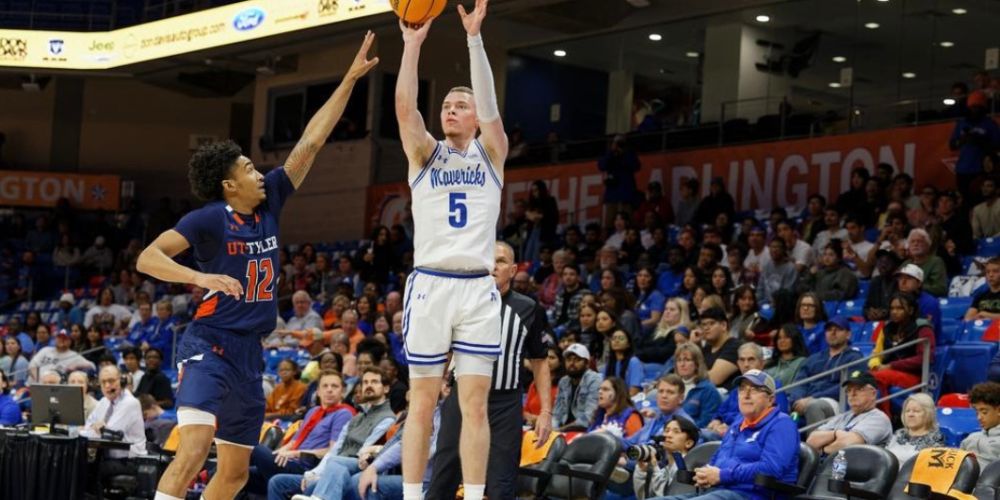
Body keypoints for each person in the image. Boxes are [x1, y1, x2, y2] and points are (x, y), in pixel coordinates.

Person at [137, 33, 378, 500]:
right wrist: (199, 276)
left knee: (235, 473)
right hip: (209, 344)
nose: (258, 172)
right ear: (230, 184)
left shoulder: (270, 203)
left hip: (250, 355)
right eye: (249, 168)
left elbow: (311, 140)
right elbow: (148, 258)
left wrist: (348, 79)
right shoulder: (208, 218)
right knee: (193, 450)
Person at [395, 3, 510, 497]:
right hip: (432, 284)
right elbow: (405, 108)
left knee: (476, 403)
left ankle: (477, 494)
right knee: (422, 400)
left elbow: (489, 110)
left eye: (458, 106)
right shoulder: (424, 153)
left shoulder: (492, 152)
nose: (450, 110)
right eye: (445, 105)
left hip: (477, 288)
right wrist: (412, 45)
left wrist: (474, 40)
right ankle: (412, 495)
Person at [426, 241, 552, 500]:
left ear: (514, 270)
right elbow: (443, 349)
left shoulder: (529, 309)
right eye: (487, 260)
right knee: (443, 477)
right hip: (462, 399)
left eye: (501, 261)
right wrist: (438, 383)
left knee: (501, 484)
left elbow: (540, 362)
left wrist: (546, 412)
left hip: (505, 406)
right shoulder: (460, 304)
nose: (492, 266)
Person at [649, 370, 799, 500]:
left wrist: (722, 475)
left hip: (752, 495)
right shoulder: (737, 423)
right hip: (718, 492)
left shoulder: (782, 424)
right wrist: (705, 473)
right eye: (742, 389)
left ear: (771, 399)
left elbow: (771, 468)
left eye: (754, 389)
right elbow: (719, 458)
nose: (746, 394)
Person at [266, 367, 396, 500]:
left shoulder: (387, 418)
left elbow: (363, 454)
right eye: (366, 382)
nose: (369, 386)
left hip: (358, 466)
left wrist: (323, 472)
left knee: (321, 477)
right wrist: (314, 473)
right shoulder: (358, 416)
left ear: (385, 388)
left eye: (374, 382)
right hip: (333, 465)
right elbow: (335, 449)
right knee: (278, 482)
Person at [246, 370, 356, 494]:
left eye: (334, 386)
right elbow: (293, 442)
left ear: (342, 392)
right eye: (325, 386)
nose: (329, 390)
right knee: (243, 474)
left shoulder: (343, 414)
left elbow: (332, 451)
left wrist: (295, 453)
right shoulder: (313, 411)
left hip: (308, 466)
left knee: (255, 448)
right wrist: (278, 453)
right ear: (318, 392)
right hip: (290, 461)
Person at [787, 317, 864, 426]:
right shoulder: (814, 358)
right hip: (805, 400)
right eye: (829, 330)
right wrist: (797, 401)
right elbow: (800, 382)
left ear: (848, 334)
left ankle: (814, 443)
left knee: (815, 406)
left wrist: (813, 398)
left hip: (836, 401)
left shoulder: (854, 358)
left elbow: (847, 386)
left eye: (838, 329)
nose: (833, 333)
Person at [869, 293, 935, 414]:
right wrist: (876, 364)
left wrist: (892, 366)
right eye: (892, 308)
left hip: (913, 376)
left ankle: (885, 418)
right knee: (862, 381)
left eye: (899, 308)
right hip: (887, 372)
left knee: (874, 378)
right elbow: (876, 354)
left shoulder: (923, 328)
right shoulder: (887, 328)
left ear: (910, 310)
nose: (894, 312)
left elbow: (924, 358)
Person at [81, 365, 148, 482]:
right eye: (103, 382)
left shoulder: (130, 403)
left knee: (87, 470)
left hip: (130, 461)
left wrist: (100, 429)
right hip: (108, 459)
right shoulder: (103, 402)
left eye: (111, 381)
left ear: (121, 381)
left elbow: (110, 435)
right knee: (78, 465)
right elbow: (87, 428)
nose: (107, 386)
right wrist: (96, 428)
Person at [805, 370, 892, 454]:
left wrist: (823, 449)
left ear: (873, 394)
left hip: (856, 467)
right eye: (849, 390)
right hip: (833, 464)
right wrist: (836, 434)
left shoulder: (879, 419)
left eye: (859, 389)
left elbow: (848, 444)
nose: (852, 394)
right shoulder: (843, 417)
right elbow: (811, 440)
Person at [949, 90, 1000, 203]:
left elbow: (997, 145)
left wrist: (980, 141)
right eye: (972, 107)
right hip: (962, 169)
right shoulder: (961, 123)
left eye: (978, 107)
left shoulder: (990, 124)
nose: (974, 109)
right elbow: (952, 145)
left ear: (983, 108)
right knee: (964, 201)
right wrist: (962, 140)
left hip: (981, 170)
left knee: (980, 201)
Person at [633, 416, 700, 500]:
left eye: (676, 432)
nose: (668, 435)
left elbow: (668, 496)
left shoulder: (688, 468)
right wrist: (641, 471)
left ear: (689, 443)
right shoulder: (665, 469)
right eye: (666, 431)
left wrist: (655, 468)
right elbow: (643, 497)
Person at [552, 343, 603, 431]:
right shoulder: (563, 381)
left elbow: (589, 418)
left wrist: (561, 430)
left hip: (587, 431)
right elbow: (557, 413)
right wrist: (552, 429)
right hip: (564, 431)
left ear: (587, 363)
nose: (572, 363)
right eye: (568, 359)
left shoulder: (594, 380)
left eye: (577, 360)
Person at [885, 393, 945, 466]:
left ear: (928, 414)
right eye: (907, 411)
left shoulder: (935, 439)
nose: (910, 414)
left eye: (916, 411)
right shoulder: (898, 433)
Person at [673, 342, 722, 428]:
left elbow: (706, 423)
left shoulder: (708, 390)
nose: (682, 364)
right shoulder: (672, 386)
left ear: (697, 364)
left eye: (687, 360)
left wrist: (680, 428)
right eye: (679, 360)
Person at [637, 297, 692, 366]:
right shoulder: (654, 329)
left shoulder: (680, 333)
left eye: (672, 310)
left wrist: (643, 353)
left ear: (682, 313)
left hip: (661, 367)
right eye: (666, 309)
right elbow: (639, 345)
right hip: (642, 362)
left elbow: (663, 353)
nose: (667, 312)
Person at [27, 328, 95, 383]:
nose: (61, 340)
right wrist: (39, 380)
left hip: (53, 388)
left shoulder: (74, 356)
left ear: (70, 341)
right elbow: (32, 365)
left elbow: (93, 366)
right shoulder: (45, 350)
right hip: (35, 384)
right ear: (55, 339)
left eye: (65, 338)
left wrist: (76, 365)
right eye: (59, 337)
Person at [698, 307, 740, 388]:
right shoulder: (707, 348)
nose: (706, 328)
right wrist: (695, 344)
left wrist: (691, 375)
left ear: (724, 325)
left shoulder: (734, 346)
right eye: (703, 324)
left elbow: (714, 379)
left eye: (711, 323)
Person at [961, 381, 1000, 467]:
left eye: (984, 412)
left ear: (998, 410)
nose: (979, 417)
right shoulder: (971, 438)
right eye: (977, 412)